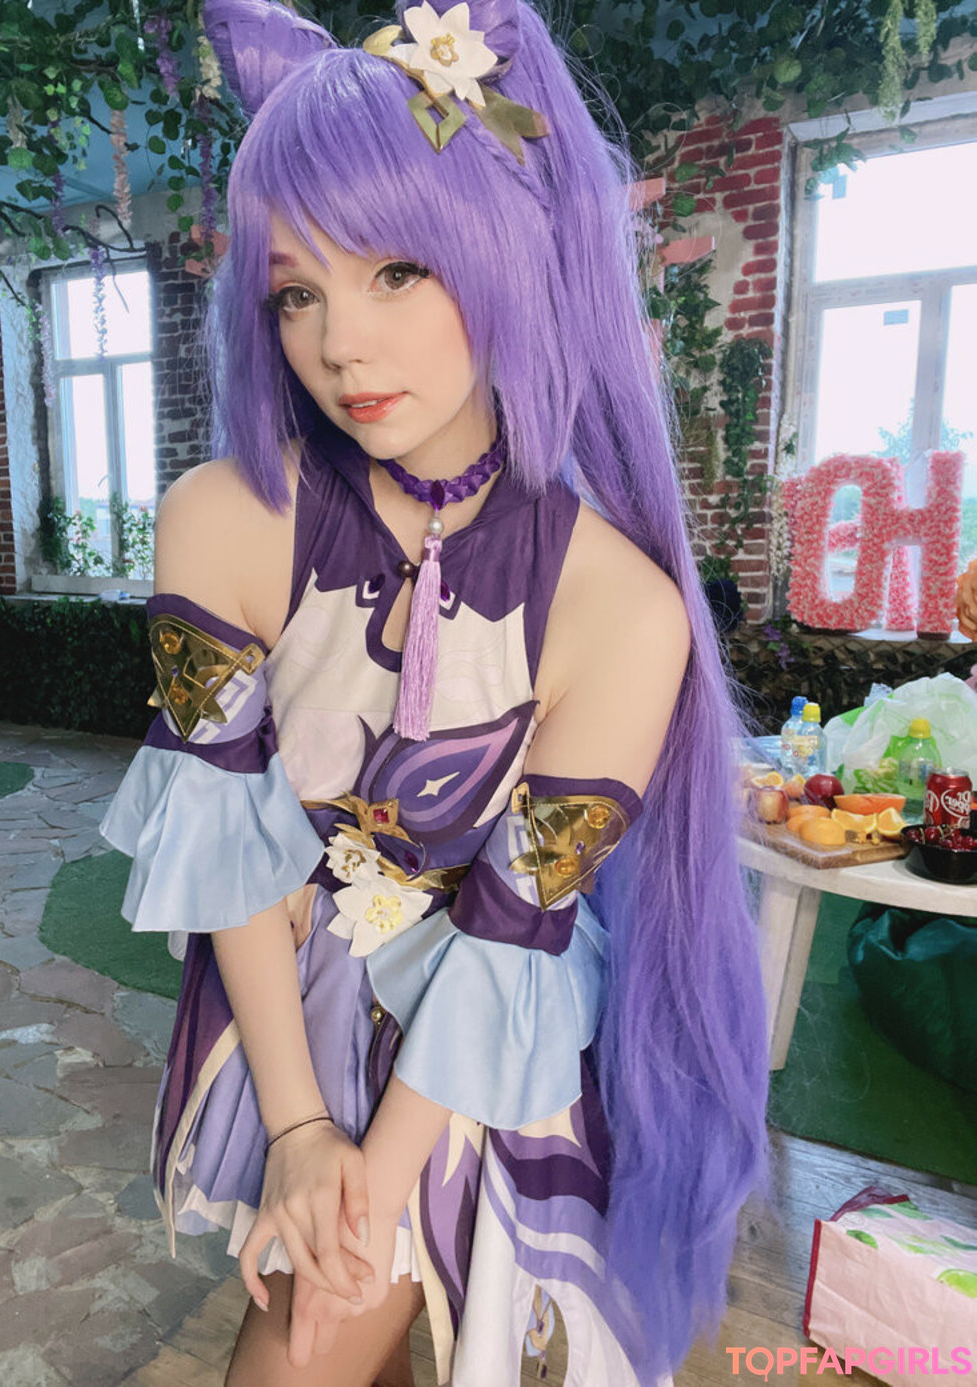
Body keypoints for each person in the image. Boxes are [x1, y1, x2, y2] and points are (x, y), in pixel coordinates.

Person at [99, 1, 769, 1383]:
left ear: (501, 248)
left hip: (479, 1038)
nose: (341, 343)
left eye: (396, 270)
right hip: (292, 997)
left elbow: (518, 931)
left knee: (321, 1332)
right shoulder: (218, 520)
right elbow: (226, 850)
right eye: (295, 292)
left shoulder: (623, 610)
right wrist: (300, 1131)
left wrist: (367, 1178)